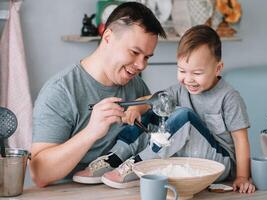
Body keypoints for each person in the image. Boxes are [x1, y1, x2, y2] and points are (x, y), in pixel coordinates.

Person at [74, 25, 256, 193]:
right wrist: (139, 107)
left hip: (218, 162)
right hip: (188, 157)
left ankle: (142, 165)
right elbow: (153, 99)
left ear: (218, 69)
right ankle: (115, 157)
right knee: (155, 108)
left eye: (197, 73)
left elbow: (241, 141)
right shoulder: (181, 89)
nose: (189, 79)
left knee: (184, 115)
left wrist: (242, 177)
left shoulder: (229, 97)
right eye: (182, 71)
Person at [30, 2, 166, 187]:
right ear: (108, 37)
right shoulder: (60, 91)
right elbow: (39, 174)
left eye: (147, 57)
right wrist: (91, 132)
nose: (141, 65)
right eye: (135, 52)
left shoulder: (137, 87)